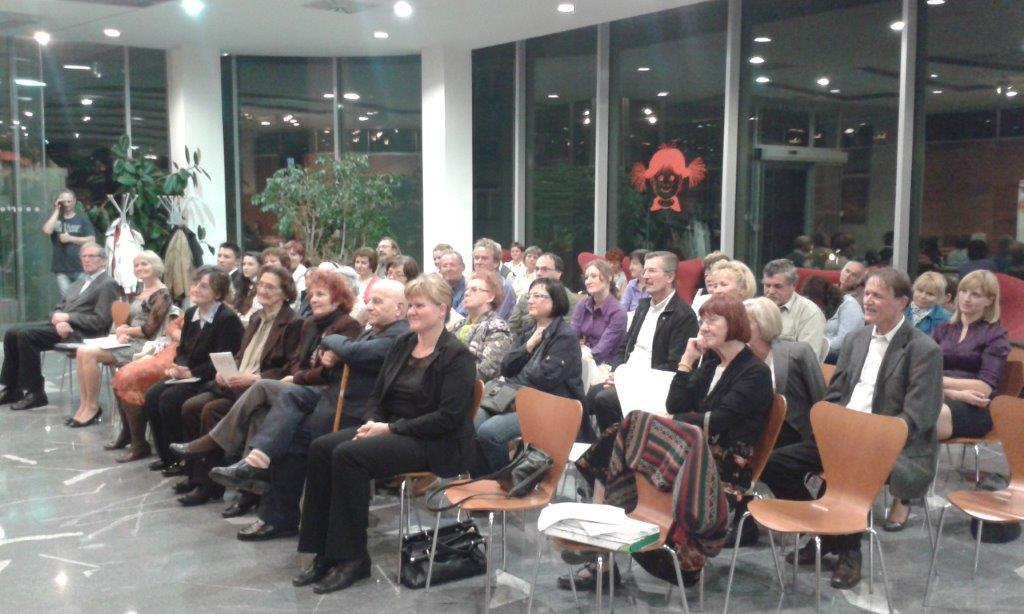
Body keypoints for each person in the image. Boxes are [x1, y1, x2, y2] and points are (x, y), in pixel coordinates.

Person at [760, 268, 943, 590]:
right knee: (775, 463)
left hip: (890, 444)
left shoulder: (923, 349)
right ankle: (825, 530)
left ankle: (849, 551)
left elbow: (918, 415)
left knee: (845, 474)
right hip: (842, 435)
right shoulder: (857, 339)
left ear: (901, 302)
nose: (867, 301)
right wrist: (828, 423)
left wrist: (871, 435)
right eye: (866, 294)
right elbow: (836, 392)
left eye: (877, 296)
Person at [294, 274, 476, 594]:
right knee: (322, 447)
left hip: (434, 441)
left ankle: (353, 558)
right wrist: (373, 422)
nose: (412, 312)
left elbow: (447, 418)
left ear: (441, 309)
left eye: (419, 306)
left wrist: (389, 429)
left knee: (348, 456)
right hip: (391, 428)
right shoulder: (404, 344)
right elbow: (378, 395)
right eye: (410, 305)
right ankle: (323, 552)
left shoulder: (456, 355)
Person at [205, 280, 410, 540]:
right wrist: (333, 356)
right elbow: (346, 355)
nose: (369, 306)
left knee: (288, 434)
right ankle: (259, 465)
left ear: (399, 308)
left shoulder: (400, 334)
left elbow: (355, 351)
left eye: (377, 302)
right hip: (334, 400)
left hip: (355, 412)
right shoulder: (374, 331)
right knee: (289, 400)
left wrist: (333, 344)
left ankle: (274, 507)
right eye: (369, 301)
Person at [170, 268, 362, 504]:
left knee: (250, 394)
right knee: (225, 409)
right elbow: (296, 363)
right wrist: (229, 370)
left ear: (338, 298)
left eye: (321, 294)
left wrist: (292, 377)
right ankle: (242, 486)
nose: (313, 299)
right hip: (283, 386)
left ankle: (212, 446)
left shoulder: (343, 325)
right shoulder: (308, 324)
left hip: (319, 394)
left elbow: (327, 372)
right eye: (312, 295)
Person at [884, 270, 1010, 530]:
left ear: (989, 300)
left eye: (976, 294)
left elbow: (984, 386)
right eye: (963, 291)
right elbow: (919, 371)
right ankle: (895, 483)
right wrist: (952, 391)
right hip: (946, 398)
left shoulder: (994, 335)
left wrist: (938, 383)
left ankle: (902, 496)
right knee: (904, 410)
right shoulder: (944, 330)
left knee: (922, 417)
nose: (967, 298)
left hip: (975, 408)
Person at [170, 265, 304, 506]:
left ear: (285, 293)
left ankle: (210, 485)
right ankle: (196, 477)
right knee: (191, 406)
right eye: (260, 285)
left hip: (260, 387)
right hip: (237, 384)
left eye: (270, 287)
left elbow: (288, 368)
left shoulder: (292, 322)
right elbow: (242, 355)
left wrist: (254, 378)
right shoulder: (256, 317)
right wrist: (226, 370)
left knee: (210, 410)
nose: (262, 290)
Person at [475, 277, 583, 475]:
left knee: (489, 433)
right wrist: (528, 346)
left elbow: (544, 379)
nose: (530, 300)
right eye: (529, 295)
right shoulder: (528, 331)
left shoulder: (565, 337)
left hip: (550, 406)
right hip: (516, 399)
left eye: (538, 296)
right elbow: (506, 367)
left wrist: (511, 383)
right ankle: (482, 481)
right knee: (472, 424)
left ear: (555, 301)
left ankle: (502, 482)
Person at [143, 266, 245, 475]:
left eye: (204, 286)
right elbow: (183, 350)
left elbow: (223, 359)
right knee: (152, 394)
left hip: (210, 378)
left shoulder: (226, 319)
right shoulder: (191, 314)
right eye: (195, 284)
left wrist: (192, 373)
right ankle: (168, 457)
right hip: (188, 374)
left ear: (218, 293)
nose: (196, 289)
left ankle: (184, 459)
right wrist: (178, 366)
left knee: (169, 399)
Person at [587, 251, 699, 433]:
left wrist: (628, 380)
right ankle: (594, 447)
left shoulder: (683, 315)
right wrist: (615, 373)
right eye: (645, 270)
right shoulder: (643, 306)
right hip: (627, 376)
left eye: (652, 271)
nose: (645, 276)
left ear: (670, 277)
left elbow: (673, 365)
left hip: (653, 384)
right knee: (587, 395)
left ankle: (619, 449)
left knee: (604, 400)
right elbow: (624, 346)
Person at [1, 242, 119, 411]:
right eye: (84, 256)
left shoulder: (108, 284)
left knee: (27, 336)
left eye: (92, 256)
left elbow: (101, 321)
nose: (86, 260)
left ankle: (35, 393)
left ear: (103, 261)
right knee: (12, 333)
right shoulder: (78, 283)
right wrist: (59, 319)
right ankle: (13, 389)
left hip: (83, 332)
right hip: (61, 327)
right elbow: (58, 308)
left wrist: (69, 318)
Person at [70, 251, 172, 427]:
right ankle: (85, 405)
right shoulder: (141, 291)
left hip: (145, 346)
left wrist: (127, 331)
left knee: (89, 353)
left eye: (144, 264)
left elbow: (149, 330)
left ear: (155, 266)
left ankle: (92, 407)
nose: (140, 268)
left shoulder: (162, 294)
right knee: (81, 350)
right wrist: (122, 331)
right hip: (129, 340)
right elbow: (129, 321)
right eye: (137, 265)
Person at [744, 297, 826, 449]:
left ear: (763, 324)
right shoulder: (740, 357)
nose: (739, 327)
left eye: (746, 322)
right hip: (757, 431)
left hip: (793, 431)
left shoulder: (798, 352)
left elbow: (819, 396)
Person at [109, 312, 183, 461]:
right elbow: (171, 326)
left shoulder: (220, 315)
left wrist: (182, 335)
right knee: (122, 374)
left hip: (180, 356)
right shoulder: (193, 312)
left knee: (128, 377)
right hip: (170, 349)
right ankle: (128, 432)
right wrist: (179, 334)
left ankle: (139, 443)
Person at [451, 271, 513, 383]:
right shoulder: (459, 325)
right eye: (466, 290)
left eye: (474, 290)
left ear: (490, 297)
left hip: (474, 388)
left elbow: (486, 371)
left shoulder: (497, 328)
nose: (467, 293)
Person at [761, 259, 827, 361]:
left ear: (794, 285)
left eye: (778, 286)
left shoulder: (810, 313)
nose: (771, 291)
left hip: (787, 370)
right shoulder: (757, 308)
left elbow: (807, 360)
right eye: (767, 285)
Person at [507, 252, 579, 336]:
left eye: (545, 269)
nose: (539, 273)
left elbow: (566, 331)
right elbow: (511, 327)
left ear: (558, 273)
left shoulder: (569, 300)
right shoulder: (526, 297)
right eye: (537, 269)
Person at [572, 259, 627, 365]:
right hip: (585, 358)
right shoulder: (583, 304)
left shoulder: (618, 312)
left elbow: (602, 350)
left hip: (607, 364)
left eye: (593, 276)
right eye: (586, 277)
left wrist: (577, 359)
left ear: (609, 278)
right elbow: (572, 335)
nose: (588, 281)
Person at [42, 189, 96, 297]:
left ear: (74, 201)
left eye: (69, 201)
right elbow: (47, 230)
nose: (66, 204)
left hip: (80, 267)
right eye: (64, 201)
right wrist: (57, 210)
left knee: (82, 298)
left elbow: (91, 240)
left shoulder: (82, 219)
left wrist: (70, 238)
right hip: (61, 269)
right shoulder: (56, 219)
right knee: (67, 300)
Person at [801, 275, 862, 364]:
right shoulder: (817, 307)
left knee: (806, 354)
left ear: (822, 296)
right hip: (820, 346)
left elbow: (843, 341)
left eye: (813, 301)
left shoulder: (849, 305)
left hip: (843, 352)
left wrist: (816, 345)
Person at [470, 238, 517, 319]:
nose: (478, 262)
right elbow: (462, 312)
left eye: (484, 258)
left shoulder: (504, 287)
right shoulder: (472, 282)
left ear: (496, 263)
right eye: (476, 258)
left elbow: (494, 319)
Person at [234, 252, 262, 320]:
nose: (245, 267)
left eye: (250, 264)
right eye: (244, 264)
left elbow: (256, 309)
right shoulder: (242, 283)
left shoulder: (261, 285)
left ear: (260, 266)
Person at [286, 240, 309, 307]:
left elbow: (297, 300)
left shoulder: (304, 275)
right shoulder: (281, 272)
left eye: (293, 254)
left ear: (301, 257)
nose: (289, 258)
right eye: (286, 255)